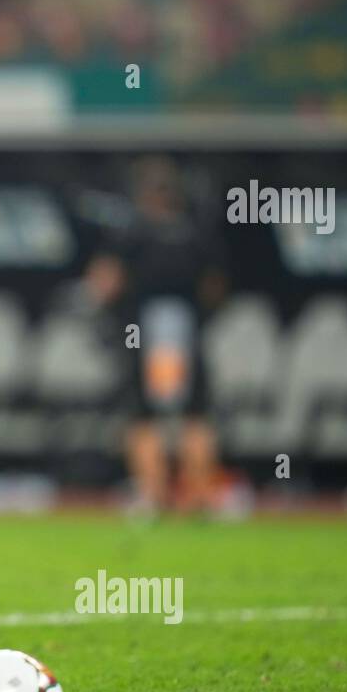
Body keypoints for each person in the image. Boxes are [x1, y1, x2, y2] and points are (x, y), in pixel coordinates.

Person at [85, 156, 227, 517]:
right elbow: (214, 287)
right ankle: (198, 497)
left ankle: (153, 495)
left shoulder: (130, 232)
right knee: (195, 413)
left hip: (144, 336)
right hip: (185, 334)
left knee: (142, 416)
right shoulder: (196, 233)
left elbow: (104, 281)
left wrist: (102, 311)